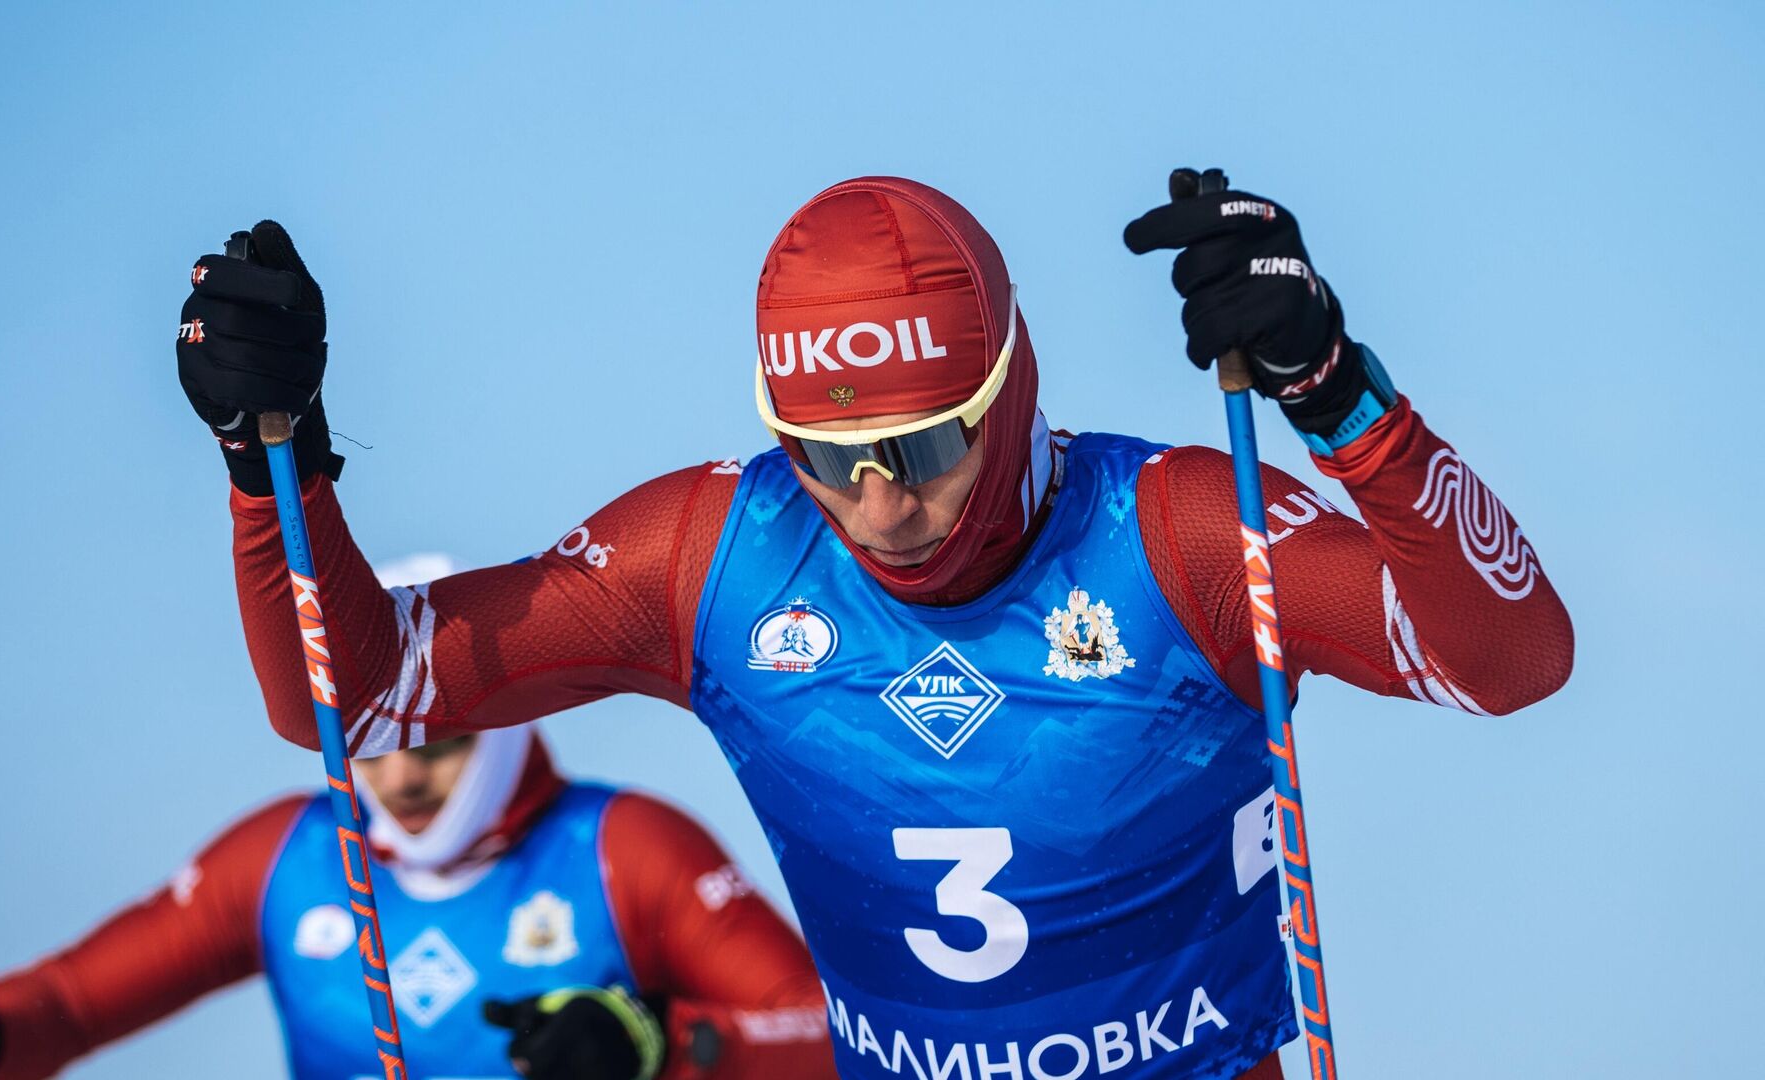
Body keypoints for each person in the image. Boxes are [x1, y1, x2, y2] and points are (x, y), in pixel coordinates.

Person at [171, 169, 1574, 1079]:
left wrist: (1334, 391)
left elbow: (1514, 661)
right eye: (829, 459)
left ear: (1011, 393)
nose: (883, 499)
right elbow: (345, 704)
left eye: (926, 446)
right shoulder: (715, 556)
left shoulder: (1179, 534)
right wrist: (270, 462)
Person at [0, 728, 833, 1079]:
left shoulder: (624, 845)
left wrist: (662, 1043)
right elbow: (77, 1002)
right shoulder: (289, 857)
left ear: (503, 722)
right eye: (374, 743)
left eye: (443, 741)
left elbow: (835, 1041)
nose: (407, 776)